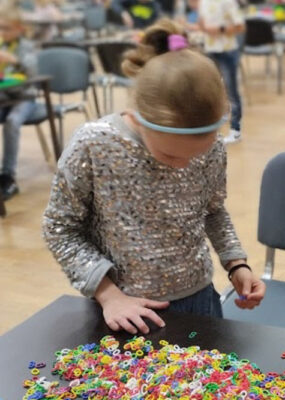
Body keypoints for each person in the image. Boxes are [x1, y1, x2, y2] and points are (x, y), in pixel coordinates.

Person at [42, 19, 265, 335]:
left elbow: (213, 210)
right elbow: (60, 228)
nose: (184, 165)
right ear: (138, 119)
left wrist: (236, 264)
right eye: (172, 155)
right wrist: (109, 295)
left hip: (201, 300)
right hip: (126, 309)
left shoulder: (213, 145)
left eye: (196, 154)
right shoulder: (94, 145)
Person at [0, 8, 37, 200]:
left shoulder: (26, 46)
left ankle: (8, 176)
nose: (2, 33)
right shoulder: (2, 44)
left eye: (6, 29)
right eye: (0, 28)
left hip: (25, 97)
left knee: (12, 122)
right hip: (4, 97)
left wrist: (13, 60)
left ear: (19, 29)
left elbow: (31, 72)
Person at [198, 0, 245, 145]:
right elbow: (203, 24)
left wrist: (220, 29)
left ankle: (235, 130)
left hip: (227, 50)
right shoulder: (203, 2)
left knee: (231, 92)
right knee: (212, 91)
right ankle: (212, 130)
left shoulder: (229, 2)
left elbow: (240, 27)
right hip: (210, 50)